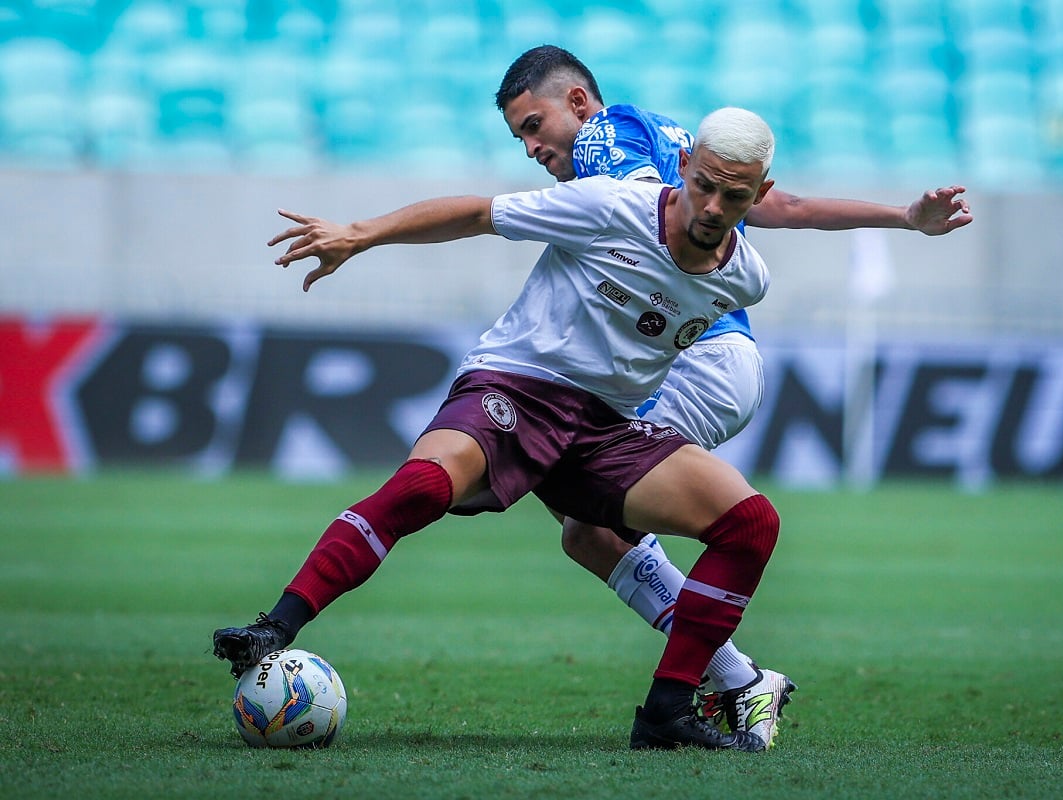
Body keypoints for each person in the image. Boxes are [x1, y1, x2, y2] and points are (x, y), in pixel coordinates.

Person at [216, 107, 784, 751]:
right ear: (683, 167)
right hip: (515, 387)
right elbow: (479, 214)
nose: (712, 205)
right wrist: (361, 233)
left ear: (758, 195)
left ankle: (667, 710)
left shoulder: (746, 279)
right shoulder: (611, 207)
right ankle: (276, 627)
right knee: (424, 487)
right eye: (703, 184)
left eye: (733, 195)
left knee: (750, 524)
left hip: (604, 431)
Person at [491, 44, 975, 742]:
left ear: (576, 103)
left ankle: (740, 682)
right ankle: (736, 680)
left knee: (587, 512)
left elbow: (642, 236)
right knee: (585, 529)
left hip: (697, 357)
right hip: (713, 360)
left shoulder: (604, 144)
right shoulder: (673, 141)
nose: (531, 147)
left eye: (534, 125)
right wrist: (903, 217)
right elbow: (795, 206)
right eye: (519, 138)